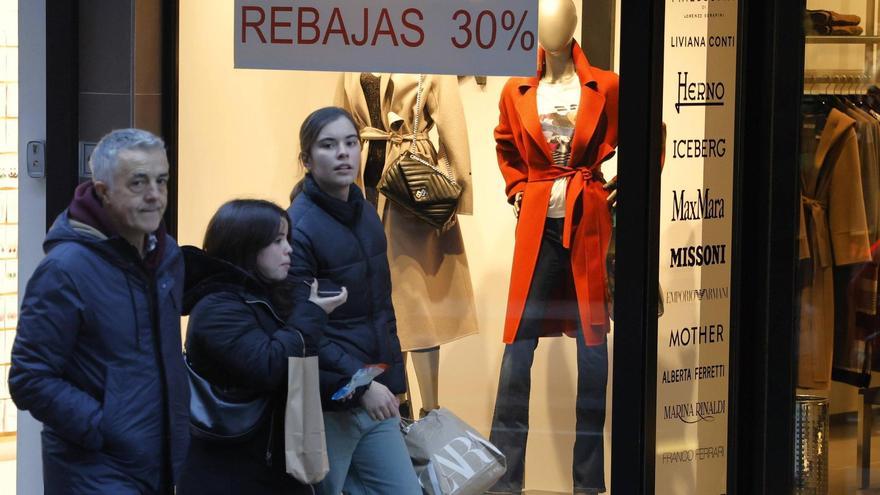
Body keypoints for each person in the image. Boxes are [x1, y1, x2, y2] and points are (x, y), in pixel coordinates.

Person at [8, 128, 190, 494]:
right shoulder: (65, 269)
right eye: (138, 183)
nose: (155, 195)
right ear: (103, 192)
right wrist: (103, 425)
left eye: (162, 181)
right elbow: (29, 378)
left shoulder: (166, 255)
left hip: (160, 461)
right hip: (93, 470)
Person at [288, 107, 421, 495]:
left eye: (351, 143)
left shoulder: (365, 212)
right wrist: (361, 386)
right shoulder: (299, 227)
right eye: (329, 145)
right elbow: (302, 328)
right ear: (307, 160)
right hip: (330, 402)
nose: (344, 153)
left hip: (375, 392)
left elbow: (382, 309)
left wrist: (392, 381)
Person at [176, 199, 347, 495]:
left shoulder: (266, 297)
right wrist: (312, 313)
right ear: (246, 245)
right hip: (229, 471)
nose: (289, 249)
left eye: (287, 239)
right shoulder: (217, 307)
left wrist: (351, 386)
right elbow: (268, 367)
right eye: (277, 240)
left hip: (271, 464)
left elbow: (291, 371)